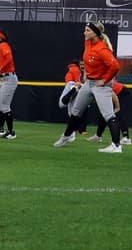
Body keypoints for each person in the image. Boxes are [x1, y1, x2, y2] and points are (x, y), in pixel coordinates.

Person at [53, 22, 123, 153]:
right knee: (76, 111)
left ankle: (117, 145)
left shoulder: (102, 49)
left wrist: (105, 80)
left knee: (108, 114)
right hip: (89, 83)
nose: (84, 33)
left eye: (87, 30)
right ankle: (67, 136)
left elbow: (116, 66)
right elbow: (86, 61)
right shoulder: (88, 43)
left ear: (95, 33)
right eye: (85, 30)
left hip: (100, 85)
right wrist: (86, 75)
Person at [87, 79, 132, 145]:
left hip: (122, 93)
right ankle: (98, 136)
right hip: (115, 93)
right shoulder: (93, 85)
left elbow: (113, 95)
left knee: (118, 114)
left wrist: (117, 107)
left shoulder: (99, 85)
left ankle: (126, 138)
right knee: (104, 113)